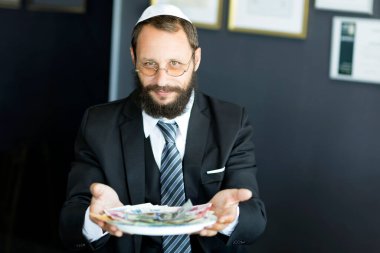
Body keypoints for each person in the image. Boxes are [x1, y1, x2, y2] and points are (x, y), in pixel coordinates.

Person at [59, 3, 266, 253]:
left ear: (196, 59)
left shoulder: (232, 121)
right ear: (134, 58)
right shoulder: (99, 124)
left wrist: (230, 217)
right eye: (149, 64)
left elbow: (255, 220)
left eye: (175, 64)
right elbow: (69, 223)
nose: (162, 80)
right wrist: (94, 219)